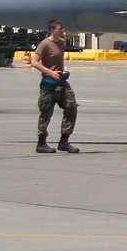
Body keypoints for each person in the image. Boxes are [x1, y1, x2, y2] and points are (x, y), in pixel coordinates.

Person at [33, 19, 78, 153]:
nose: (63, 30)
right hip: (48, 84)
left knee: (71, 107)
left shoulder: (62, 42)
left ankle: (64, 141)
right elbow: (34, 62)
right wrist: (50, 72)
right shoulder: (45, 44)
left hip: (62, 83)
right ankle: (41, 143)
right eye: (60, 28)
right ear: (52, 30)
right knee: (46, 112)